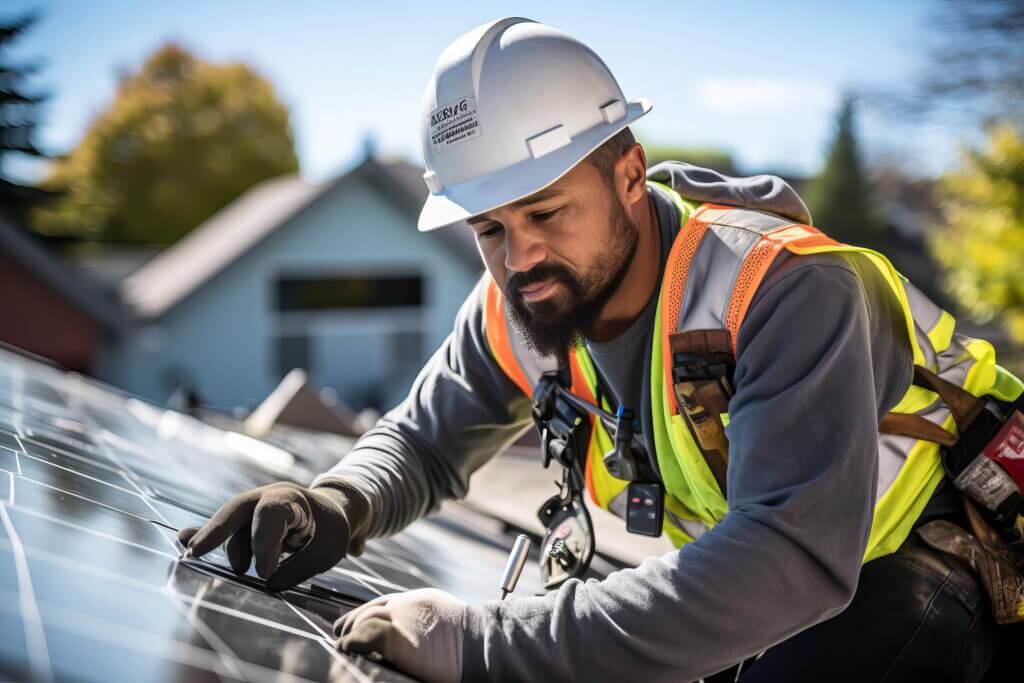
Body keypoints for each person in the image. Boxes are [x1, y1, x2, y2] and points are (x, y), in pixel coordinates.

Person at [179, 18, 1022, 682]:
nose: (520, 257)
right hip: (801, 570)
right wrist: (335, 503)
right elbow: (425, 441)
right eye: (489, 229)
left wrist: (483, 643)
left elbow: (788, 557)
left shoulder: (784, 290)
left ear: (628, 172)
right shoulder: (527, 300)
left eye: (547, 212)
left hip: (945, 559)